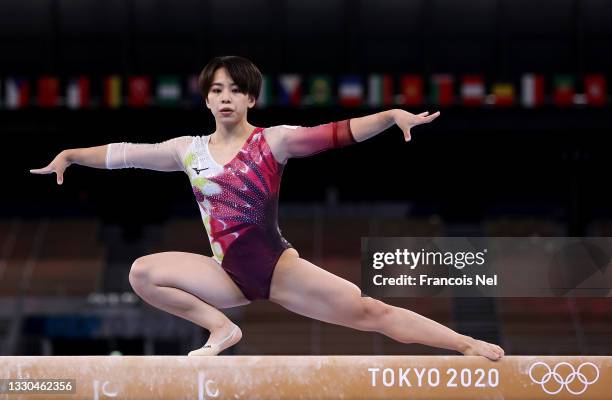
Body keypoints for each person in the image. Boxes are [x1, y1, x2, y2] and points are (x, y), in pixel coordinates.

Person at [30, 56, 504, 360]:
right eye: (217, 90)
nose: (225, 97)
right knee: (142, 273)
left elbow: (337, 132)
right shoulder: (186, 150)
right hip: (225, 274)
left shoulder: (272, 142)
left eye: (235, 89)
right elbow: (124, 153)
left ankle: (466, 344)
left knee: (369, 311)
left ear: (250, 98)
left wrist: (390, 116)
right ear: (207, 100)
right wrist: (71, 155)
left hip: (276, 267)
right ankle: (220, 329)